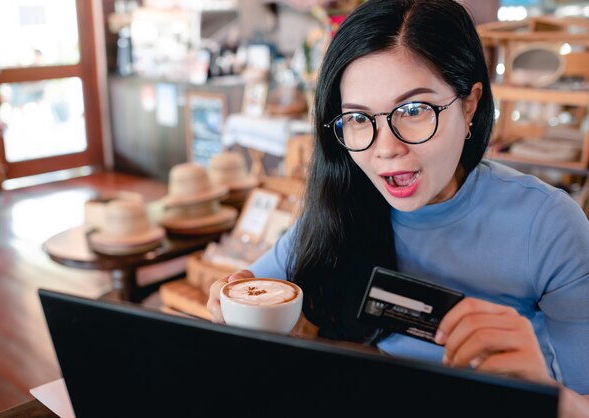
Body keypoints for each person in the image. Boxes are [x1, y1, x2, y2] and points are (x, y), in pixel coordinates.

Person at [207, 0, 589, 415]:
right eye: (357, 118)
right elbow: (250, 299)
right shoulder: (343, 205)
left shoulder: (548, 224)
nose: (386, 149)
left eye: (413, 110)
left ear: (469, 105)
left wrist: (544, 392)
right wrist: (227, 311)